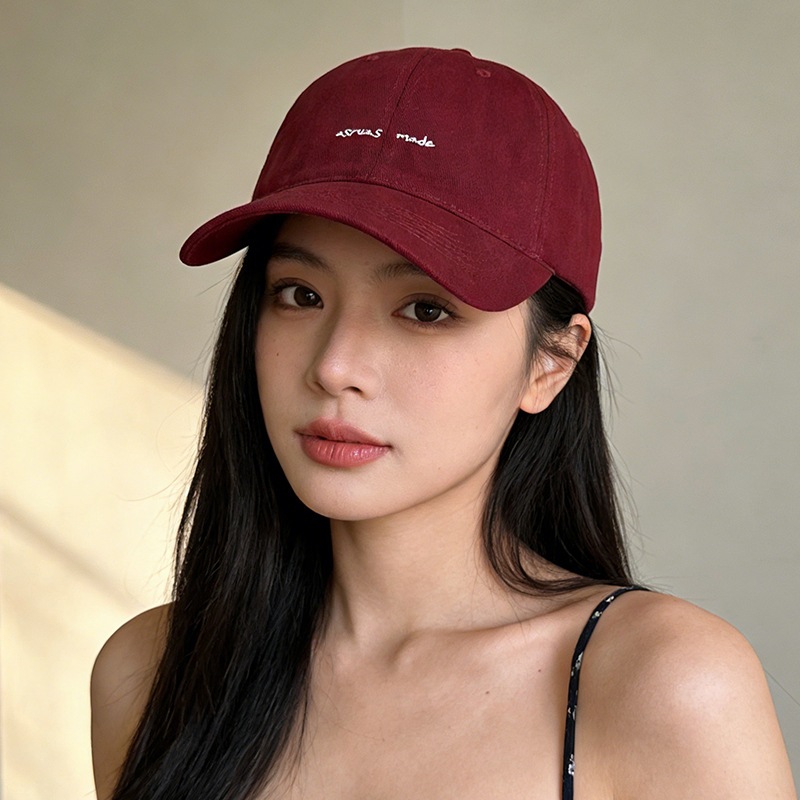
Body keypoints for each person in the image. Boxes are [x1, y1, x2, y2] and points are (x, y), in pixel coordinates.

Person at [89, 47, 796, 800]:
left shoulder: (661, 686)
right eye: (299, 294)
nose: (335, 367)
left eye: (425, 310)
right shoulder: (148, 675)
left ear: (551, 363)